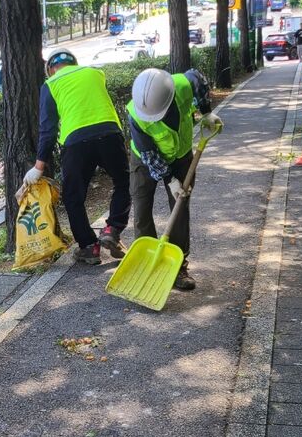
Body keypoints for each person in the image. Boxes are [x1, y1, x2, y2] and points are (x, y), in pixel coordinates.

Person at [24, 50, 130, 264]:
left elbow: (48, 130)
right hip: (110, 134)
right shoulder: (95, 73)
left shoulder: (51, 84)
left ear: (50, 69)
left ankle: (89, 247)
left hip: (76, 142)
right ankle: (112, 229)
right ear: (74, 63)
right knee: (123, 183)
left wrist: (38, 167)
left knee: (74, 197)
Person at [127, 67, 222, 290]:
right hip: (144, 160)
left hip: (181, 156)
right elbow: (150, 155)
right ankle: (146, 262)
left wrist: (207, 112)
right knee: (141, 207)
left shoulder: (181, 84)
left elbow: (198, 80)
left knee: (180, 207)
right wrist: (170, 180)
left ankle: (179, 267)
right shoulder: (136, 115)